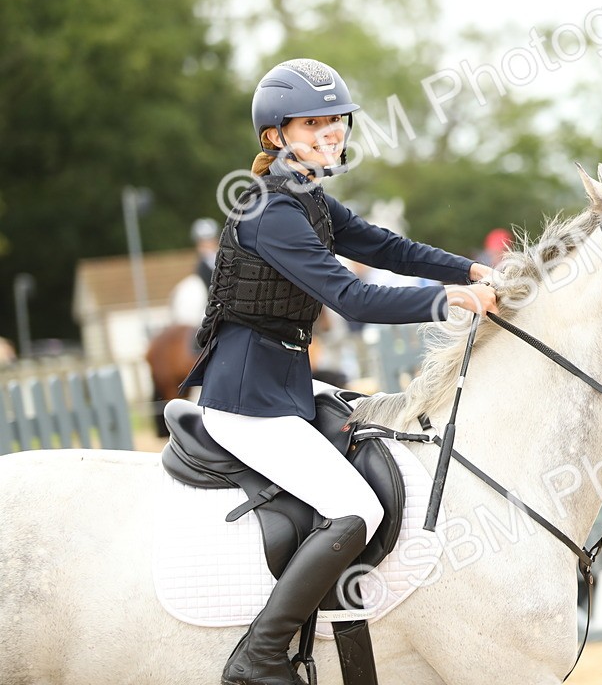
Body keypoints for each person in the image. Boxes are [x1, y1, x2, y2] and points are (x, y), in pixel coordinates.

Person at [181, 58, 497, 685]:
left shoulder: (309, 198)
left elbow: (385, 247)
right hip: (246, 400)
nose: (333, 134)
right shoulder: (268, 211)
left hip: (286, 385)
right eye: (314, 123)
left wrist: (469, 271)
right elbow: (350, 298)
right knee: (356, 509)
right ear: (276, 135)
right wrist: (449, 302)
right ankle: (260, 655)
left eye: (337, 122)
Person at [168, 217, 220, 328]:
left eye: (210, 241)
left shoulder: (220, 261)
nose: (207, 245)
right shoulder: (202, 266)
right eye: (203, 242)